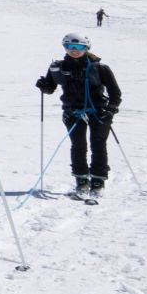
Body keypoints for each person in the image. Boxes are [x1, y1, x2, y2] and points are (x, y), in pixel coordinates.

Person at [36, 34, 122, 195]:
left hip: (98, 112)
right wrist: (43, 86)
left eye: (79, 47)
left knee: (98, 145)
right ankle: (81, 180)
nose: (74, 50)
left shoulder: (100, 68)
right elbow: (50, 89)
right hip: (72, 111)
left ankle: (98, 181)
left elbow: (115, 93)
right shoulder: (58, 67)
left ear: (87, 48)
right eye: (69, 47)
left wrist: (110, 111)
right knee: (78, 145)